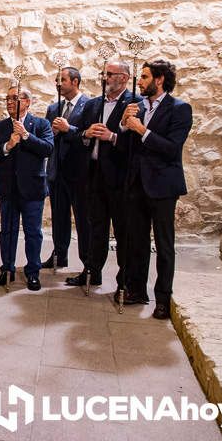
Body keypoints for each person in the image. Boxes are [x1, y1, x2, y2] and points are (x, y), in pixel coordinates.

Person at [120, 60, 193, 319]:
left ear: (159, 80)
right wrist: (124, 122)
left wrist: (141, 129)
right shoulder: (138, 106)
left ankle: (162, 298)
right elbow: (127, 142)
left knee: (163, 244)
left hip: (162, 185)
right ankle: (137, 290)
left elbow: (172, 148)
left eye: (144, 77)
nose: (139, 82)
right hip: (137, 184)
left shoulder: (180, 109)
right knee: (136, 241)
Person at [65, 61, 140, 290]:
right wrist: (87, 134)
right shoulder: (93, 104)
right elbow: (78, 133)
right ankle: (91, 271)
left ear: (124, 78)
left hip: (119, 176)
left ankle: (124, 281)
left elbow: (134, 143)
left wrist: (113, 137)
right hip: (94, 173)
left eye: (109, 74)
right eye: (103, 74)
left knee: (121, 229)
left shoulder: (134, 104)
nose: (104, 78)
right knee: (95, 227)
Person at [0, 87, 53, 291]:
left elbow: (47, 148)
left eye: (15, 98)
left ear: (27, 102)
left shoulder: (41, 124)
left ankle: (33, 272)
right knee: (7, 231)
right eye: (7, 98)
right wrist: (8, 145)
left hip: (32, 187)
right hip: (8, 186)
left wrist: (25, 136)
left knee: (33, 232)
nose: (9, 102)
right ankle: (7, 269)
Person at [43, 66, 90, 271]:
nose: (58, 83)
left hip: (79, 172)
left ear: (75, 82)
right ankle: (59, 254)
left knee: (83, 220)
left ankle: (88, 262)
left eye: (62, 79)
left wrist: (68, 129)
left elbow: (89, 134)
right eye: (57, 80)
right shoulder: (54, 108)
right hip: (57, 171)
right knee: (59, 217)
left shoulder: (89, 105)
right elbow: (47, 139)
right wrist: (52, 132)